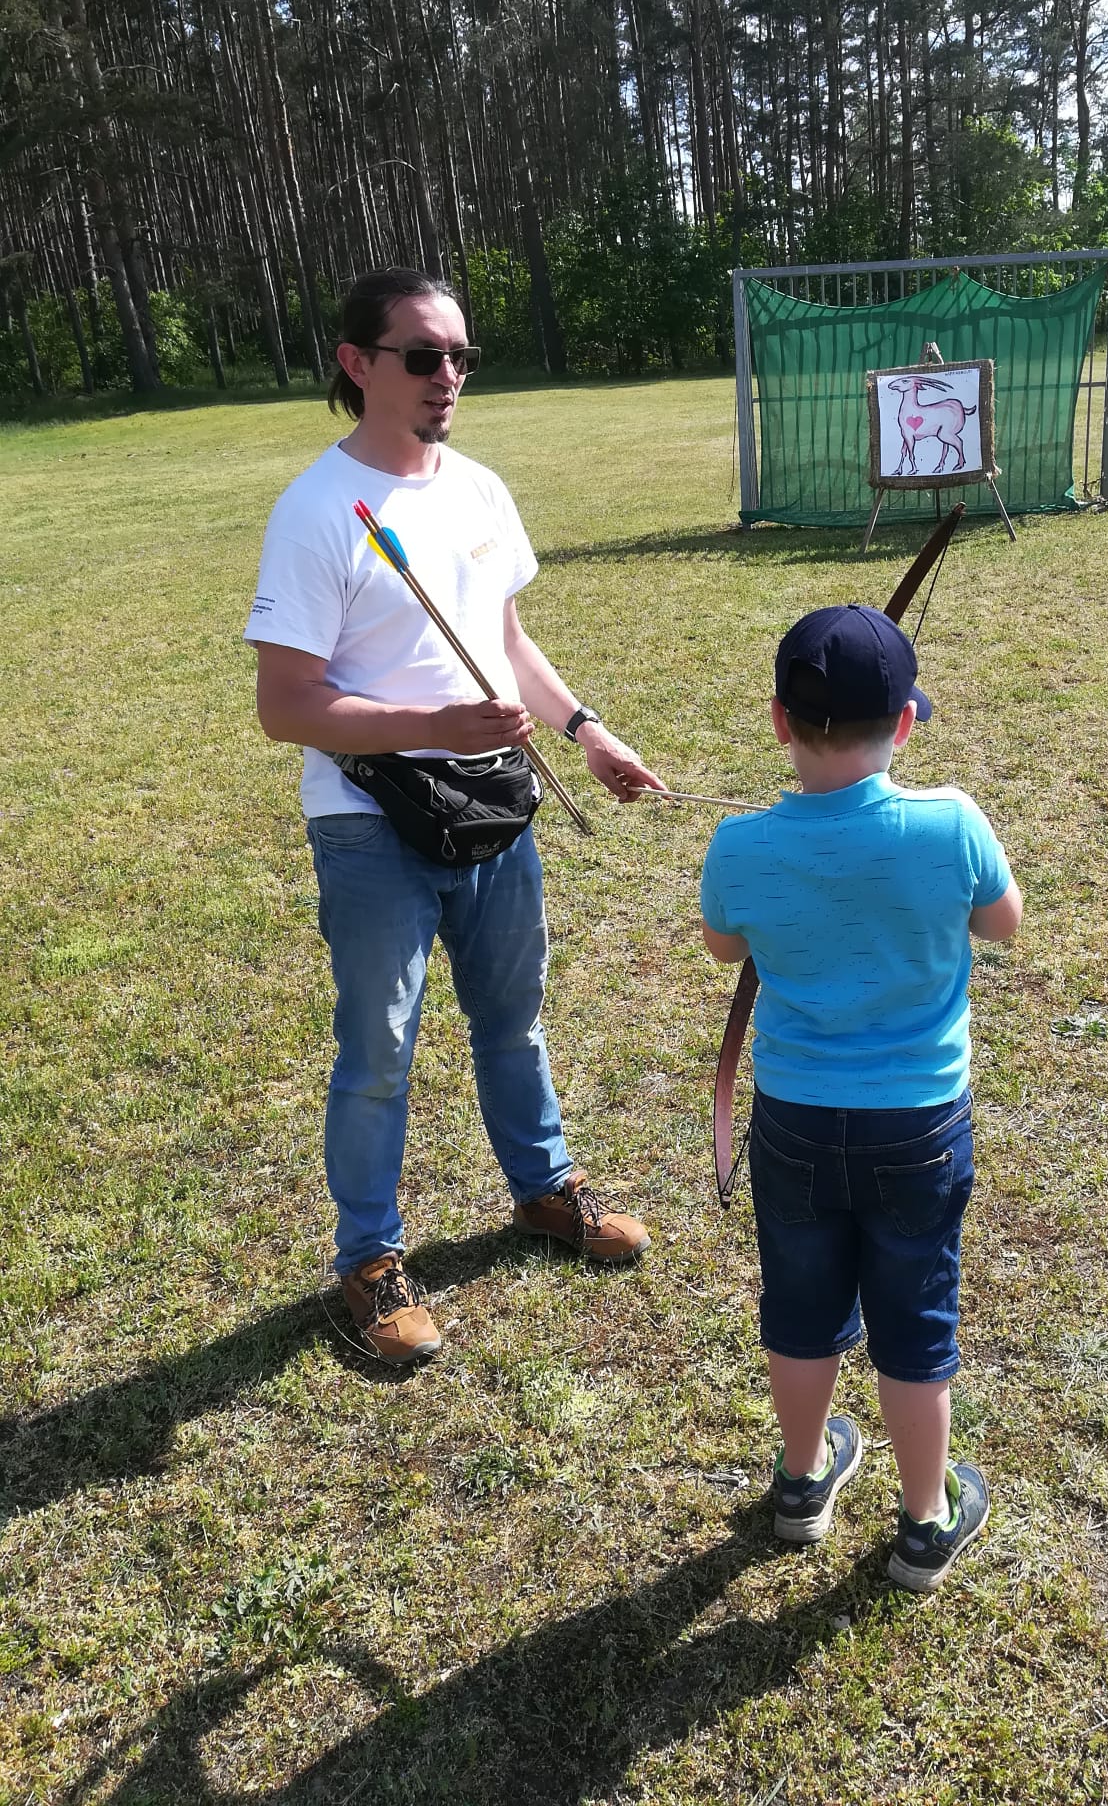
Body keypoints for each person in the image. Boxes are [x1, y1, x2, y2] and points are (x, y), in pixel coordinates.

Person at [246, 266, 664, 1364]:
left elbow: (506, 640)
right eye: (424, 355)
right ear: (357, 363)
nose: (449, 376)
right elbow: (285, 705)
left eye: (461, 357)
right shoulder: (316, 512)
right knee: (380, 1046)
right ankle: (369, 1259)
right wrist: (433, 722)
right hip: (369, 818)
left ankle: (544, 1188)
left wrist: (586, 730)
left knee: (513, 1016)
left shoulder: (479, 490)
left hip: (493, 805)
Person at [699, 604, 1022, 1590]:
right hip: (920, 1125)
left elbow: (724, 945)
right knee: (913, 1320)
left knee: (800, 1304)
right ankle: (925, 1522)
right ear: (907, 722)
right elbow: (1003, 922)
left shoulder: (739, 844)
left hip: (795, 1122)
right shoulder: (952, 822)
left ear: (779, 722)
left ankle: (803, 1480)